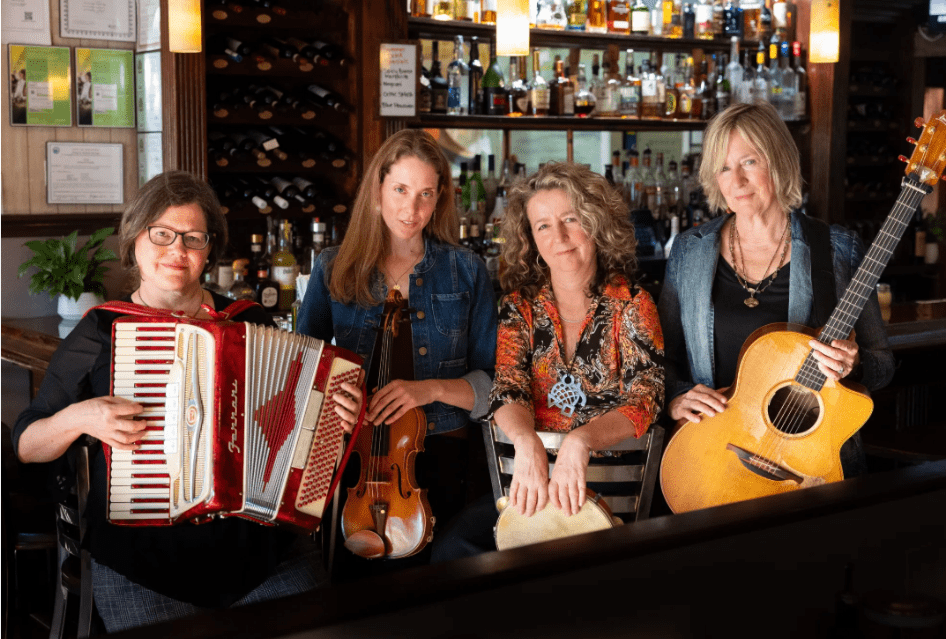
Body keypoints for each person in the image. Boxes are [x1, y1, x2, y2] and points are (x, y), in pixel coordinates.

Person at [12, 171, 359, 632]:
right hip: (146, 563)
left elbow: (297, 421)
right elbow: (26, 442)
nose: (177, 250)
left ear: (209, 250)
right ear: (135, 241)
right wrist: (81, 417)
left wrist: (338, 415)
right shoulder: (101, 331)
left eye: (193, 238)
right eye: (162, 235)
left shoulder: (248, 321)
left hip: (260, 555)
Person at [432, 161, 665, 560]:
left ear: (595, 223)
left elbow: (646, 398)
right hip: (531, 485)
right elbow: (506, 390)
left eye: (570, 219)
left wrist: (580, 442)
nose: (558, 236)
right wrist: (526, 441)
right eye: (542, 225)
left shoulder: (632, 305)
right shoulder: (519, 309)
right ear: (531, 239)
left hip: (612, 489)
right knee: (452, 552)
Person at [295, 129, 497, 573]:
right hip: (355, 457)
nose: (412, 209)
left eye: (426, 194)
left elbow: (493, 387)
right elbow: (300, 370)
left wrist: (428, 390)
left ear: (440, 197)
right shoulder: (333, 267)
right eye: (401, 190)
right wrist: (336, 398)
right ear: (378, 191)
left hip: (442, 457)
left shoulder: (466, 271)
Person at [658, 102, 895, 477]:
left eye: (749, 162)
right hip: (713, 459)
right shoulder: (690, 251)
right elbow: (661, 359)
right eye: (723, 168)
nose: (736, 181)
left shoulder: (836, 249)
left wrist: (854, 363)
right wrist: (676, 397)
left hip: (810, 463)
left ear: (779, 160)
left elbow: (881, 365)